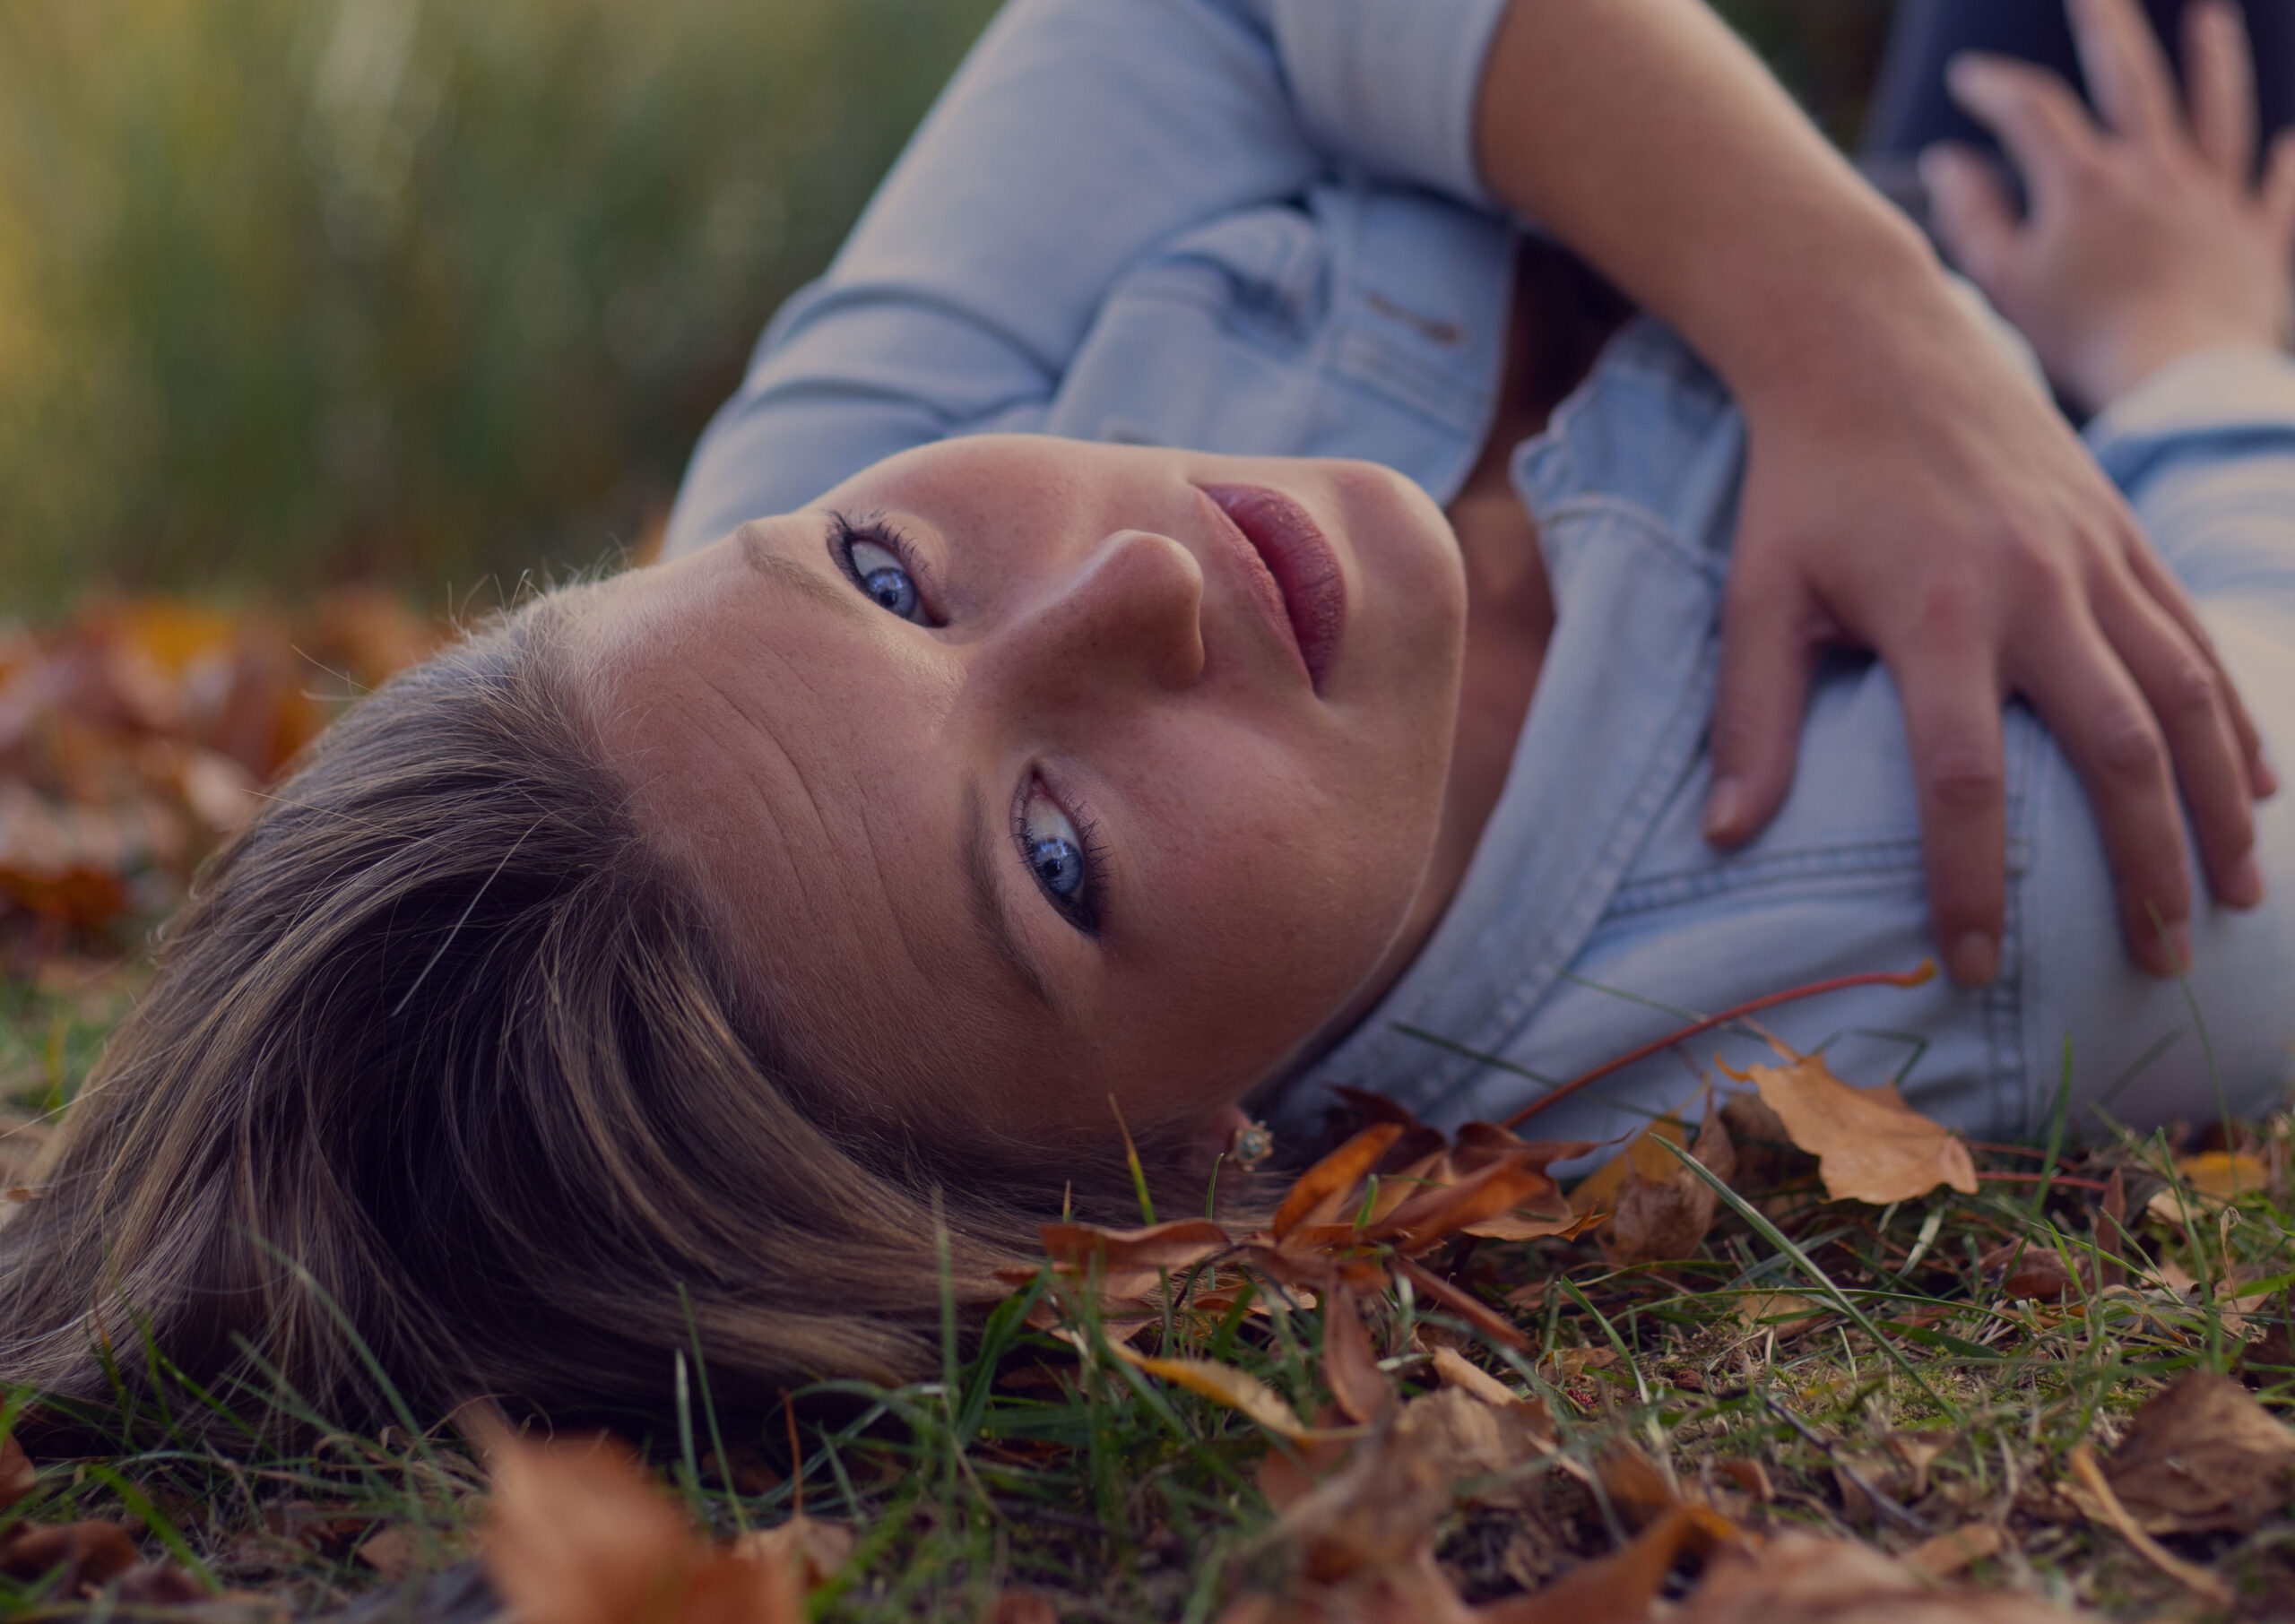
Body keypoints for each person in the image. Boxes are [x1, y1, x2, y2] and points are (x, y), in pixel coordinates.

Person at [3, 0, 2291, 1432]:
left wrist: (1853, 324)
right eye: (1054, 857)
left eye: (887, 578)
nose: (1136, 584)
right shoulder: (1937, 926)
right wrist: (2192, 350)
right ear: (1158, 1208)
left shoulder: (779, 544)